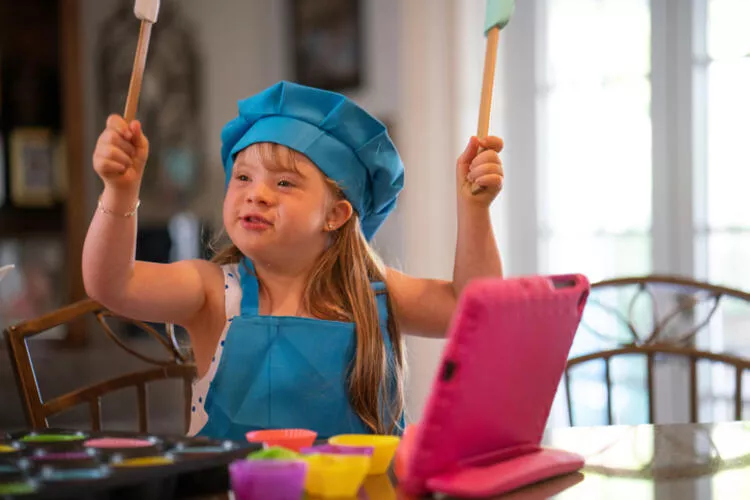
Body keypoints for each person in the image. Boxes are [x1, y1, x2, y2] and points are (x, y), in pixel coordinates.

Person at [82, 81, 504, 441]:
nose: (257, 193)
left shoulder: (372, 293)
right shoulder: (212, 291)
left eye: (284, 182)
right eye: (243, 177)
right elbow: (113, 284)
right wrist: (119, 192)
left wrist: (475, 210)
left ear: (336, 215)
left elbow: (474, 311)